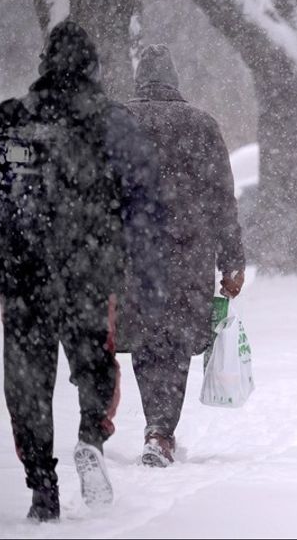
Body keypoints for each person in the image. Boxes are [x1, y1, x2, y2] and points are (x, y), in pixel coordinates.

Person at [0, 21, 163, 521]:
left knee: (26, 381)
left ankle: (41, 485)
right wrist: (146, 273)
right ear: (92, 68)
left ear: (44, 65)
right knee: (95, 363)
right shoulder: (113, 124)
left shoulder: (7, 121)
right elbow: (147, 203)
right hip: (89, 272)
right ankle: (92, 434)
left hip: (21, 278)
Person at [120, 44, 245, 468]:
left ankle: (155, 426)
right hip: (188, 256)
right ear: (174, 80)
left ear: (140, 78)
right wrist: (232, 260)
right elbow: (221, 200)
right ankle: (161, 430)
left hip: (135, 256)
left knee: (146, 341)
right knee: (173, 345)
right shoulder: (202, 125)